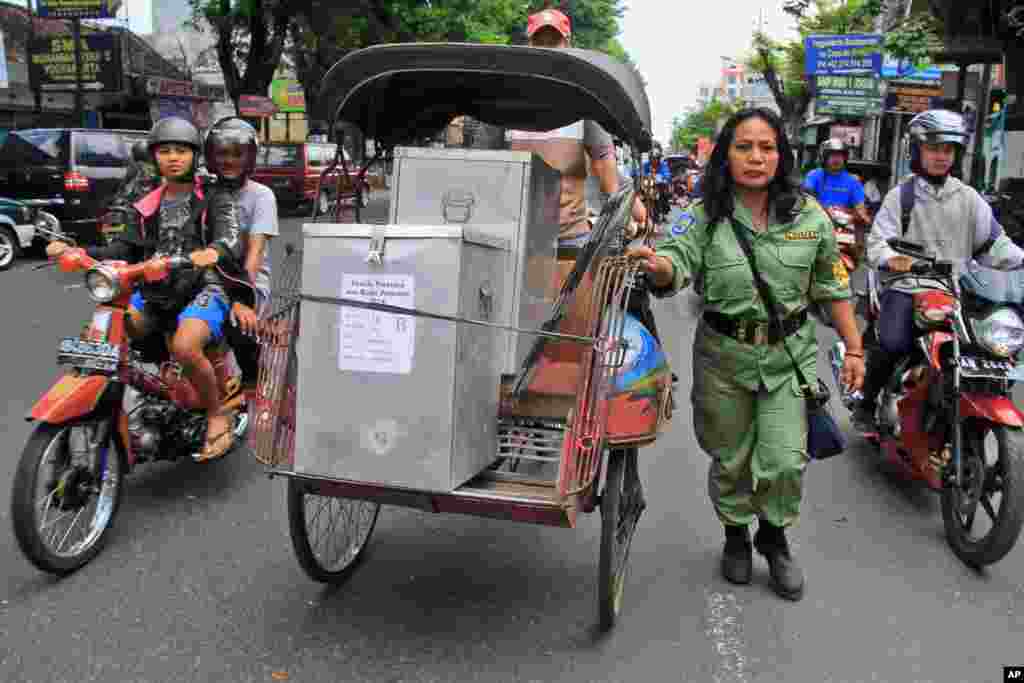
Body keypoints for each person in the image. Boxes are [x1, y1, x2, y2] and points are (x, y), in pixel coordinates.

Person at [625, 108, 865, 601]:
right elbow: (677, 261)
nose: (756, 157)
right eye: (744, 147)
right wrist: (658, 266)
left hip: (788, 360)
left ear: (782, 155)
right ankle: (735, 534)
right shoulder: (703, 213)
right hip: (722, 359)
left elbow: (832, 286)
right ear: (726, 155)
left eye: (767, 147)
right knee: (730, 458)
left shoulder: (809, 215)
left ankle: (774, 539)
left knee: (783, 461)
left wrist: (855, 347)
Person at [47, 117, 247, 462]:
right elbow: (122, 250)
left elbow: (229, 236)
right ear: (154, 157)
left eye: (181, 151)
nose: (172, 158)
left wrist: (212, 252)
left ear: (195, 156)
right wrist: (78, 253)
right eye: (165, 151)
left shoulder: (215, 195)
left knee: (185, 345)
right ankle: (128, 398)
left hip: (203, 286)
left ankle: (215, 413)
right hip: (155, 290)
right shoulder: (146, 203)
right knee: (105, 332)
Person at [853, 109, 1024, 431]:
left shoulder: (970, 199)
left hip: (958, 291)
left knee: (995, 350)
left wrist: (1020, 259)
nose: (941, 156)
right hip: (908, 286)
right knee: (892, 343)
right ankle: (866, 402)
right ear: (917, 151)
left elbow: (994, 245)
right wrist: (893, 259)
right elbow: (877, 245)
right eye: (933, 149)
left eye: (948, 150)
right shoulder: (900, 197)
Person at [507, 8, 646, 248]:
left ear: (567, 44)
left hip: (569, 239)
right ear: (529, 45)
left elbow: (607, 174)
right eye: (540, 42)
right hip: (515, 236)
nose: (547, 49)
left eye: (554, 42)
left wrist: (628, 218)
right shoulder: (504, 101)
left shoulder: (584, 101)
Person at [202, 117, 279, 350]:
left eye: (237, 155)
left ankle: (249, 374)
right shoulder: (205, 190)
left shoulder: (261, 196)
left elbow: (255, 252)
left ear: (250, 158)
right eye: (222, 154)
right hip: (207, 278)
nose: (229, 161)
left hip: (247, 281)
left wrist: (242, 295)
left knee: (238, 331)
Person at [803, 138, 872, 228]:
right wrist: (825, 209)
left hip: (843, 229)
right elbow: (806, 198)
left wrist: (853, 214)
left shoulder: (853, 181)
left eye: (840, 155)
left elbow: (861, 211)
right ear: (824, 157)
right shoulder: (814, 175)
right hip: (816, 225)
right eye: (832, 155)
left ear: (845, 158)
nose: (836, 159)